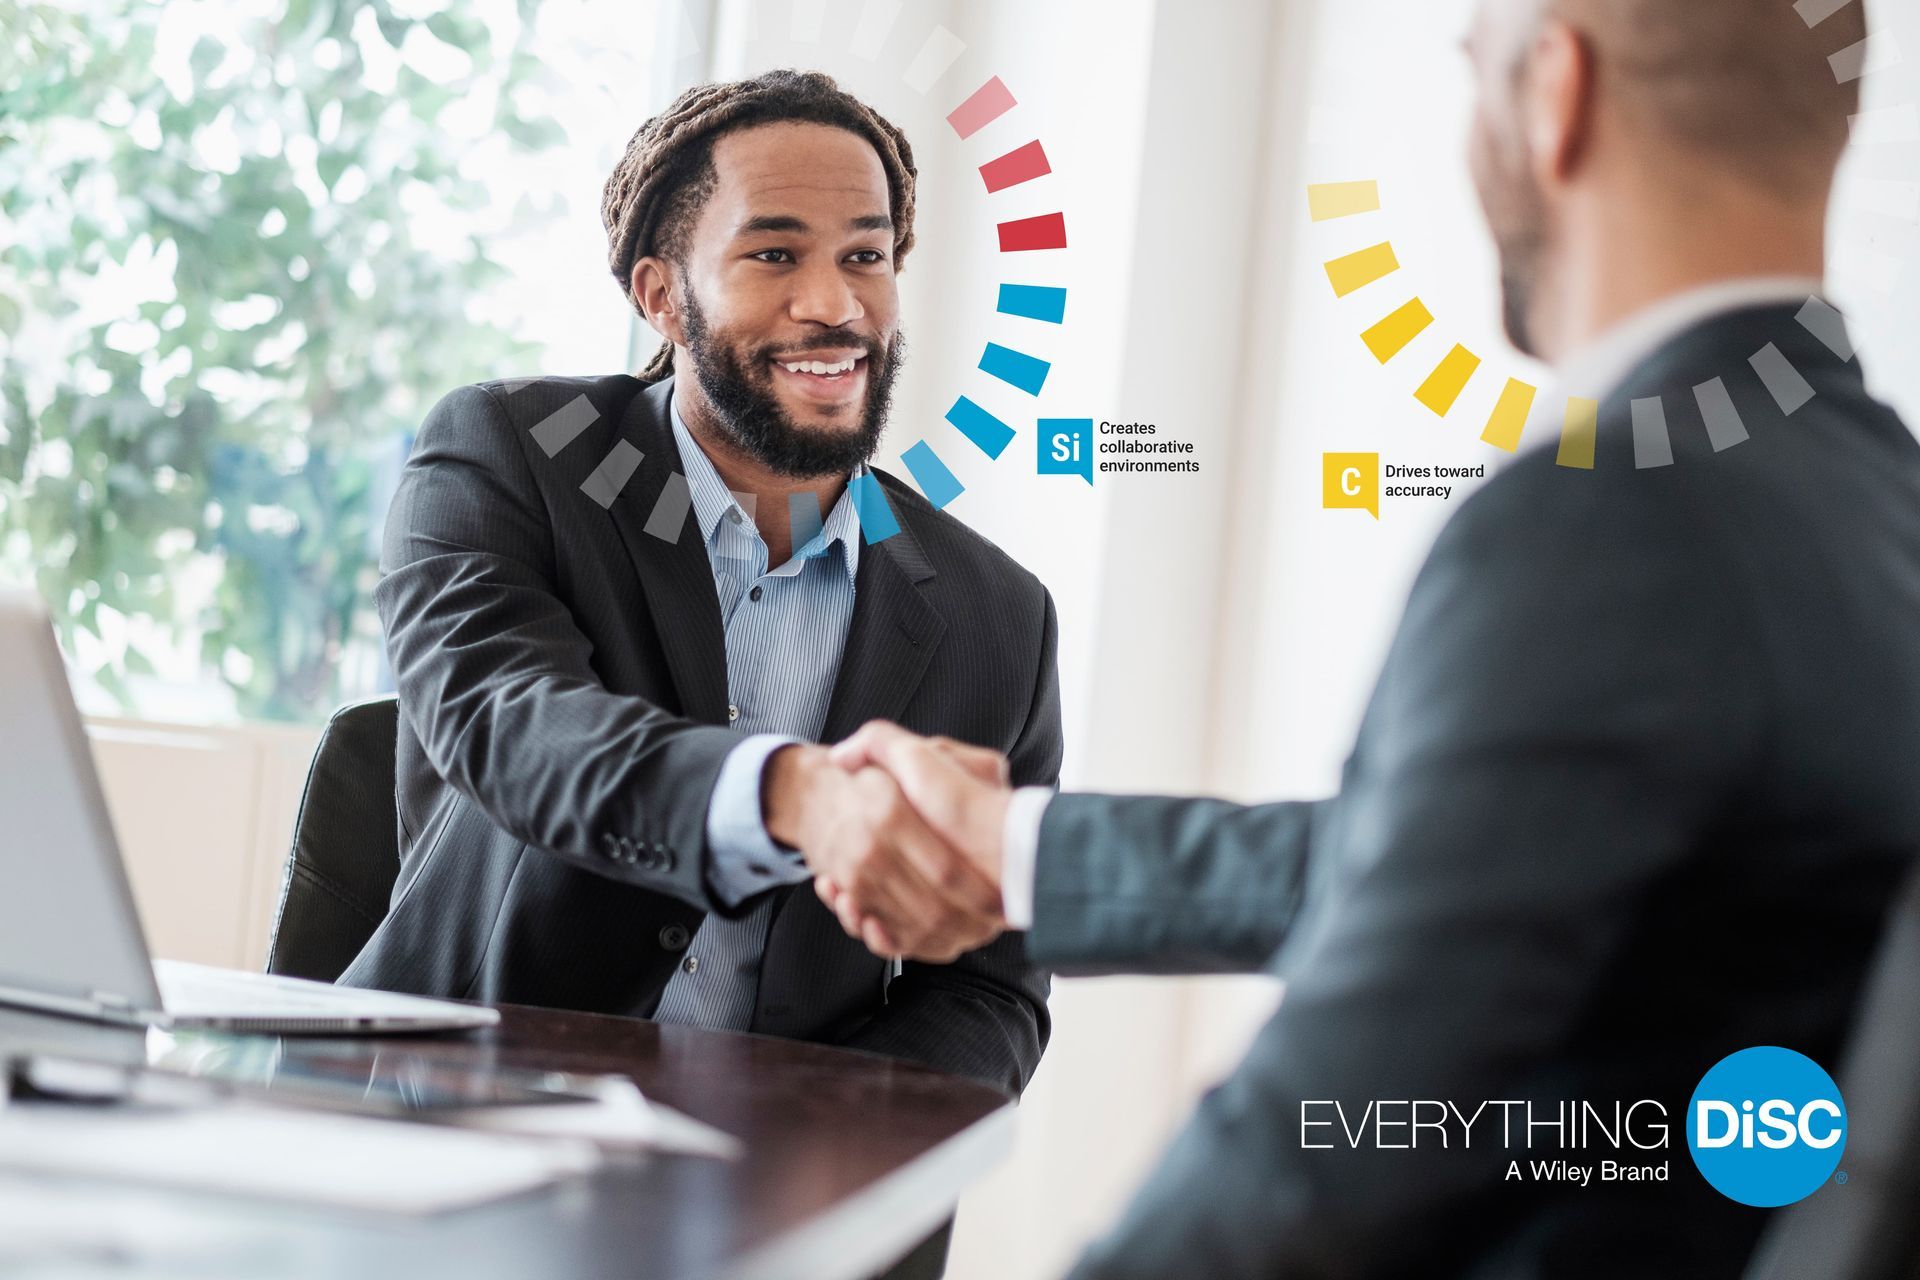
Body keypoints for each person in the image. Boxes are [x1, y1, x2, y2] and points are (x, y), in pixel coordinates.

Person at [804, 0, 1920, 1275]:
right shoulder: (1874, 501)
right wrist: (1017, 843)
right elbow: (1490, 864)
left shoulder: (1615, 508)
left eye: (1475, 70)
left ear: (1555, 92)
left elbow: (1321, 1146)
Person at [341, 70, 1057, 1160]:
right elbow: (515, 725)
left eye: (865, 255)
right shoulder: (506, 459)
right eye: (775, 254)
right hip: (449, 1139)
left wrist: (816, 1138)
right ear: (662, 297)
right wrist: (788, 795)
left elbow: (997, 990)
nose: (836, 304)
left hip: (767, 1189)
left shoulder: (998, 615)